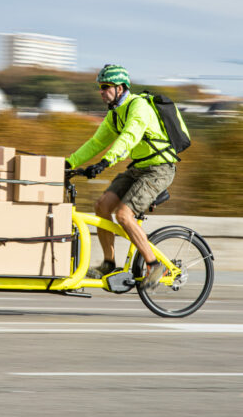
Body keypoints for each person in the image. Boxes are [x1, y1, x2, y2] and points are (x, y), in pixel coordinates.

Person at [66, 64, 178, 290]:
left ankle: (155, 264)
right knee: (101, 206)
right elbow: (96, 142)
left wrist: (106, 162)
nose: (101, 91)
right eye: (100, 87)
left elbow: (129, 137)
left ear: (121, 87)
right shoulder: (114, 114)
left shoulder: (139, 107)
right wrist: (69, 163)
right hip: (139, 168)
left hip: (159, 169)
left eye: (105, 86)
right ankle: (109, 264)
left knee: (124, 215)